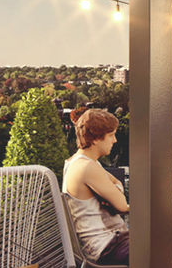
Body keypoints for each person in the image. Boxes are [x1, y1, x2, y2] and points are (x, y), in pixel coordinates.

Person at [63, 107, 129, 265]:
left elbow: (117, 184)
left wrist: (113, 191)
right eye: (111, 135)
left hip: (111, 241)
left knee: (158, 242)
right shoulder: (87, 168)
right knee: (157, 246)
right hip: (106, 245)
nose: (115, 140)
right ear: (95, 138)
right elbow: (121, 205)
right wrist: (114, 196)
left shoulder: (80, 162)